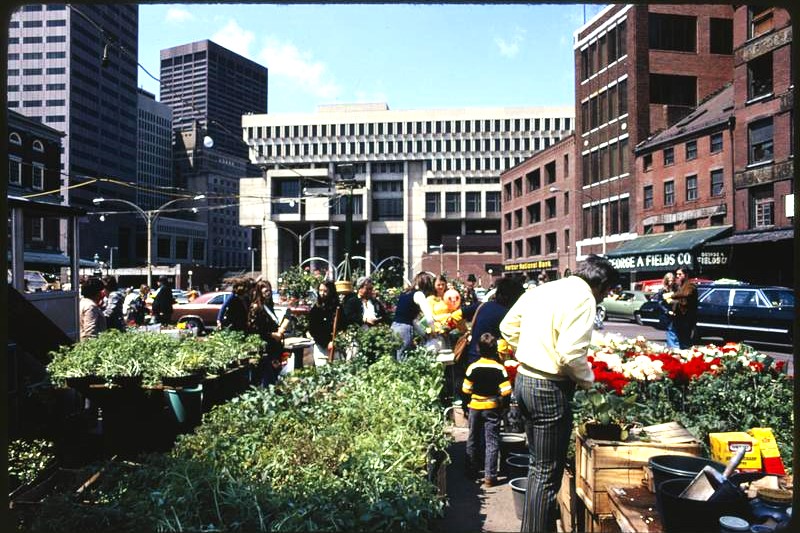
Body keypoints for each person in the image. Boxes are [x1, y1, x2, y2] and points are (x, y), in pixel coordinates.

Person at [500, 254, 618, 532]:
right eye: (606, 292)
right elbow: (570, 355)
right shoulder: (584, 298)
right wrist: (589, 381)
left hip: (525, 380)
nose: (603, 299)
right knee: (546, 474)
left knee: (537, 467)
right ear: (599, 285)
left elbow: (507, 327)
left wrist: (531, 350)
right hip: (548, 388)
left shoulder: (545, 288)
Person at [457, 276, 525, 407]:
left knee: (476, 396)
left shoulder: (483, 306)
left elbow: (458, 314)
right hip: (492, 364)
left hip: (472, 358)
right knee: (492, 399)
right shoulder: (507, 314)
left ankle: (474, 418)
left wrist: (461, 328)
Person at [462, 332, 512, 487]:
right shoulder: (500, 369)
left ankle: (472, 470)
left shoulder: (473, 367)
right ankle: (490, 476)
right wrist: (504, 407)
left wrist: (467, 405)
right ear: (496, 349)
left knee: (473, 439)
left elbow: (465, 389)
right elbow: (506, 391)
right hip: (492, 408)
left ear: (478, 349)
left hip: (475, 407)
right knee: (492, 441)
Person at [248, 280, 291, 386]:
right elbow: (254, 330)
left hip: (274, 348)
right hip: (265, 350)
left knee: (274, 379)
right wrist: (271, 335)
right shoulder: (256, 307)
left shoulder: (268, 306)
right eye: (266, 291)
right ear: (259, 292)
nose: (268, 293)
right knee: (266, 381)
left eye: (269, 291)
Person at [390, 272, 435, 359]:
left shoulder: (405, 293)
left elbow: (412, 320)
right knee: (403, 359)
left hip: (394, 327)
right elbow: (429, 318)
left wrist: (424, 334)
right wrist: (434, 331)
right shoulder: (419, 294)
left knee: (395, 358)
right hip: (404, 330)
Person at [308, 280, 340, 366]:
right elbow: (313, 330)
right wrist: (326, 343)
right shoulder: (316, 309)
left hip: (336, 347)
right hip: (321, 347)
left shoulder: (337, 308)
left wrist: (336, 341)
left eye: (325, 291)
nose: (322, 293)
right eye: (320, 290)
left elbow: (342, 326)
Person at [665, 267, 698, 349]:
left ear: (686, 275)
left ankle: (688, 357)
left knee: (685, 340)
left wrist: (671, 296)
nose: (677, 276)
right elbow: (681, 300)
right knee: (681, 339)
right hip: (680, 317)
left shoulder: (690, 285)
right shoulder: (681, 286)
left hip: (687, 317)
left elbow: (686, 294)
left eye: (680, 274)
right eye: (677, 274)